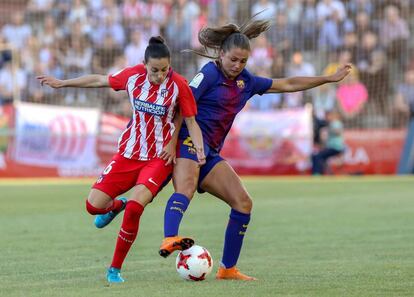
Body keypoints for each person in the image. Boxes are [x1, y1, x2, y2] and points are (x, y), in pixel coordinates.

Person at [158, 18, 352, 280]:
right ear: (222, 54)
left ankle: (228, 269)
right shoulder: (209, 73)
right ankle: (169, 238)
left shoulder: (246, 82)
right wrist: (171, 142)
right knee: (186, 188)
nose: (237, 66)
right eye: (233, 60)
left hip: (211, 152)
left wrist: (328, 78)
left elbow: (288, 84)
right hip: (187, 142)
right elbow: (183, 104)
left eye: (243, 62)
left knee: (243, 203)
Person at [37, 36, 205, 283]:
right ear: (144, 64)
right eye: (155, 70)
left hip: (158, 159)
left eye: (165, 69)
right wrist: (63, 83)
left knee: (136, 208)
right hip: (127, 154)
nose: (160, 75)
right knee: (93, 206)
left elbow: (190, 121)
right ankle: (117, 205)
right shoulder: (133, 76)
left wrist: (199, 150)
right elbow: (98, 80)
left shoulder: (179, 85)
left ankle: (114, 269)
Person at [311, 110, 345, 175]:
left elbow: (338, 132)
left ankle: (317, 173)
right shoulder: (331, 124)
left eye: (328, 116)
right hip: (332, 147)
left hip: (336, 147)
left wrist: (329, 129)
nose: (327, 118)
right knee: (320, 157)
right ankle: (327, 173)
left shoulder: (335, 123)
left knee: (318, 156)